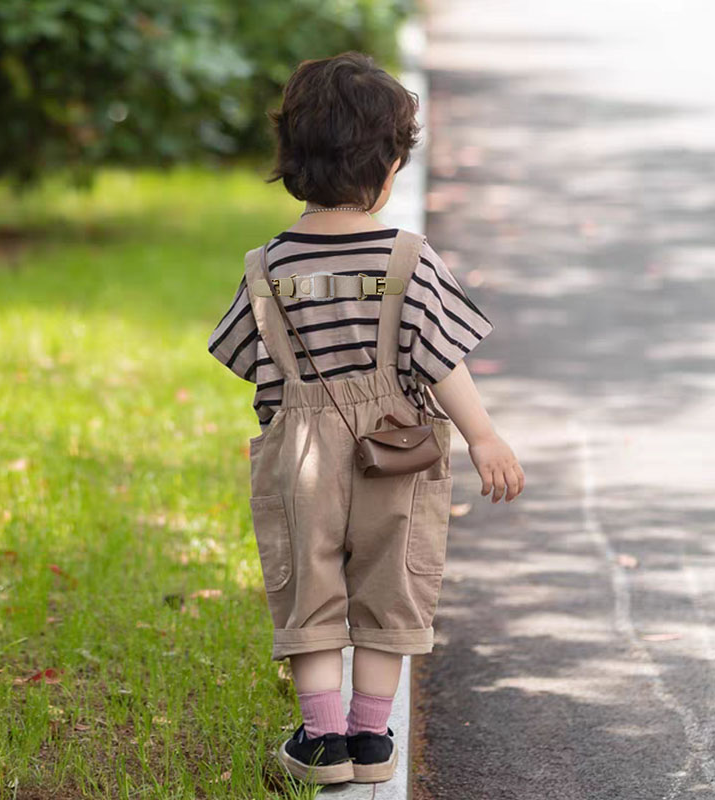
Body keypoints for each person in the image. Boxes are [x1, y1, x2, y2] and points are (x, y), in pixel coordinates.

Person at [207, 51, 525, 786]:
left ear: (290, 160)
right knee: (391, 584)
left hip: (301, 448)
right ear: (387, 168)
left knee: (309, 586)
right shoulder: (408, 259)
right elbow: (439, 357)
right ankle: (371, 738)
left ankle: (323, 743)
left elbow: (256, 367)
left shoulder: (269, 265)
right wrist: (483, 435)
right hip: (400, 447)